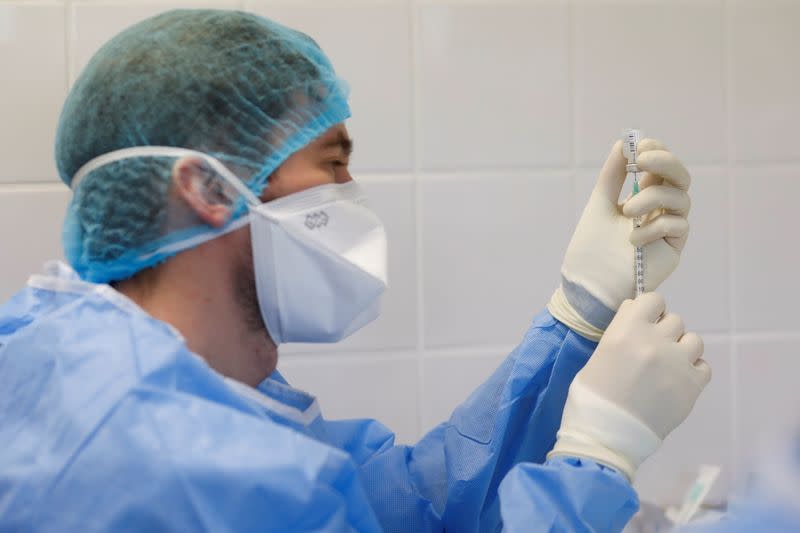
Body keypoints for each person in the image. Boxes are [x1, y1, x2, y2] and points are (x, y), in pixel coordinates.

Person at [0, 9, 710, 532]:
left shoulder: (94, 362)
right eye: (333, 163)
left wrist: (576, 316)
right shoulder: (176, 461)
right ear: (210, 189)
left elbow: (414, 503)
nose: (352, 194)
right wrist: (599, 453)